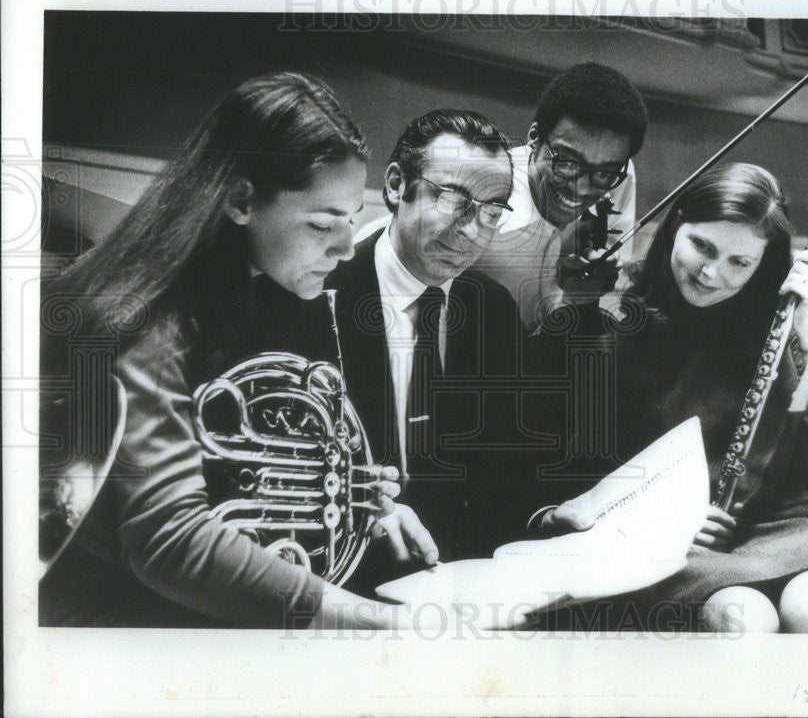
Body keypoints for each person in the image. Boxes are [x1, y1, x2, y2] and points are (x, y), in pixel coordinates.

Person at [38, 72, 436, 629]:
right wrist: (370, 619)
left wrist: (358, 500)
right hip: (115, 628)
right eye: (324, 223)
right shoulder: (146, 315)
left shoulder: (271, 291)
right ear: (240, 199)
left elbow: (234, 465)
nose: (347, 248)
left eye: (351, 220)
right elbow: (171, 540)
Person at [538, 162, 808, 635]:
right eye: (702, 246)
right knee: (743, 620)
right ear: (675, 228)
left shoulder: (780, 320)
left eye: (739, 263)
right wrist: (659, 520)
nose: (711, 273)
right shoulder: (613, 322)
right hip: (671, 539)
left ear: (763, 264)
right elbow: (572, 481)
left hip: (796, 521)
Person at [321, 108, 546, 584]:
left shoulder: (493, 309)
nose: (471, 231)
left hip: (465, 577)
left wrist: (543, 515)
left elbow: (511, 467)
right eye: (453, 199)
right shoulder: (319, 295)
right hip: (347, 574)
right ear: (396, 186)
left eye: (490, 212)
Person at [355, 62, 649, 332]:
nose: (582, 188)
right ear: (534, 137)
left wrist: (581, 298)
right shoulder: (487, 211)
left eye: (603, 174)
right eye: (566, 163)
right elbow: (387, 245)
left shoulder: (618, 176)